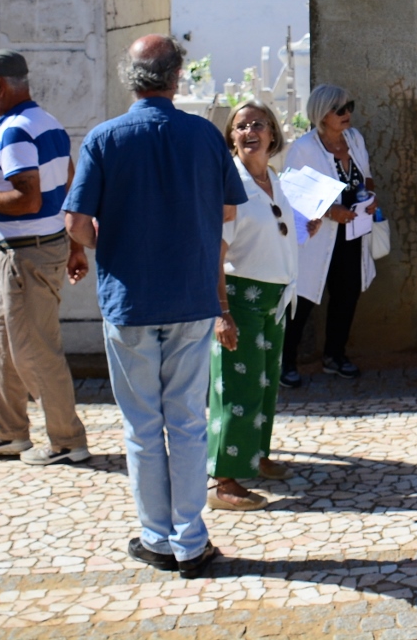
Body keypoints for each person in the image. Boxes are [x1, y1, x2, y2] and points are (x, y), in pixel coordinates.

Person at [64, 35, 244, 578]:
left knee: (142, 427)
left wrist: (111, 243)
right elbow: (230, 212)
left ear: (131, 77)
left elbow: (75, 224)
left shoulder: (104, 138)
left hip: (130, 299)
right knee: (187, 420)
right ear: (176, 77)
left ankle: (157, 538)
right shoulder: (205, 136)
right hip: (190, 298)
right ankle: (191, 539)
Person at [0, 49, 88, 466]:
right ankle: (9, 432)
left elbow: (26, 199)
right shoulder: (45, 122)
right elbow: (68, 177)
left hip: (28, 256)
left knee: (36, 349)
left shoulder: (15, 132)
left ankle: (67, 441)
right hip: (29, 251)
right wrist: (75, 243)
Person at [206, 102, 303, 511]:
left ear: (272, 133)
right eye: (241, 126)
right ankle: (223, 482)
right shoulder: (231, 183)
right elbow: (215, 250)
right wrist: (220, 311)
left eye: (257, 124)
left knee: (264, 384)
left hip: (273, 299)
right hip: (240, 299)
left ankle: (255, 457)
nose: (250, 132)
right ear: (231, 136)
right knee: (236, 388)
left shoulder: (273, 179)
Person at [282, 85, 377, 382]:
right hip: (318, 238)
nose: (347, 113)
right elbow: (290, 193)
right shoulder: (303, 149)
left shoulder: (355, 139)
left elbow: (367, 176)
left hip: (353, 233)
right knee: (304, 298)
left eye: (350, 106)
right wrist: (329, 212)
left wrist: (370, 199)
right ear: (322, 115)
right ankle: (286, 363)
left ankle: (335, 355)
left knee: (347, 295)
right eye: (340, 109)